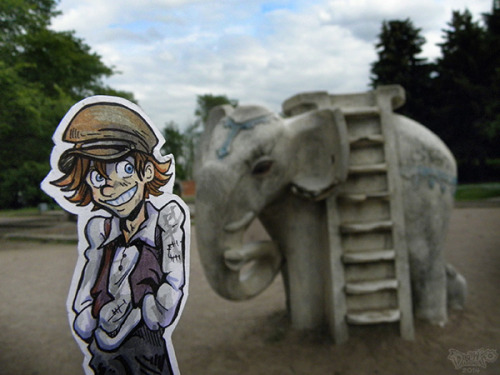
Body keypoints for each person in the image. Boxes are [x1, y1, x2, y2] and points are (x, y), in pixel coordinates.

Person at [43, 97, 189, 375]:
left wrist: (150, 310)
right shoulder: (100, 232)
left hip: (146, 347)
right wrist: (88, 316)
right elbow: (87, 283)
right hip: (102, 350)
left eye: (123, 168)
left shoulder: (166, 222)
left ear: (146, 171)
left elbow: (174, 279)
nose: (111, 185)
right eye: (97, 178)